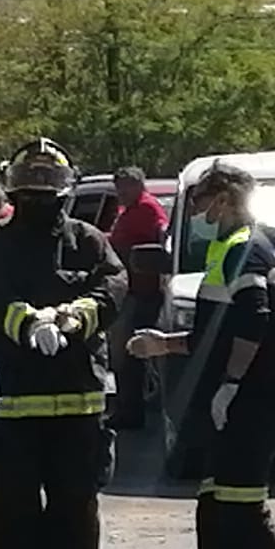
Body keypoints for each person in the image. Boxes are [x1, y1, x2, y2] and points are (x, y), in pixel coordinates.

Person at [127, 161, 275, 549]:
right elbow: (216, 334)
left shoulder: (244, 249)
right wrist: (164, 344)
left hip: (255, 403)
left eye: (203, 202)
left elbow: (253, 324)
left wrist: (230, 384)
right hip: (238, 405)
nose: (198, 213)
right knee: (215, 504)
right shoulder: (227, 249)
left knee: (242, 507)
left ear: (225, 200)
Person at [0, 138, 126, 549]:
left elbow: (113, 286)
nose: (39, 195)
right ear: (14, 190)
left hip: (79, 402)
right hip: (12, 404)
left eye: (46, 186)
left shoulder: (88, 241)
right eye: (30, 186)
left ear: (64, 191)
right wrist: (28, 322)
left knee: (75, 506)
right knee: (11, 509)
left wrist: (76, 317)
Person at [106, 166, 169, 430]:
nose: (120, 192)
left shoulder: (147, 209)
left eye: (125, 186)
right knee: (125, 353)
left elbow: (136, 245)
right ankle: (127, 407)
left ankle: (131, 411)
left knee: (129, 352)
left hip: (142, 292)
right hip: (129, 289)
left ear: (138, 185)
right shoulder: (129, 210)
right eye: (118, 187)